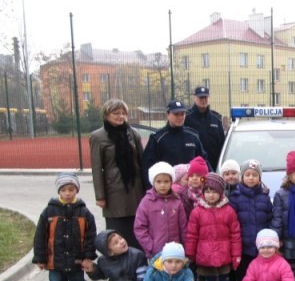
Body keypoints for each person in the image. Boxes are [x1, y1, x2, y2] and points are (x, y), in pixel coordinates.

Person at [33, 173, 97, 281]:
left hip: (77, 262)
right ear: (58, 192)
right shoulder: (48, 212)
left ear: (76, 190)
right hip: (55, 262)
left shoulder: (84, 213)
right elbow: (40, 236)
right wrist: (40, 258)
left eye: (71, 189)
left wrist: (88, 257)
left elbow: (90, 237)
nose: (67, 193)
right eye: (64, 190)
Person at [185, 172, 241, 281]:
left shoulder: (229, 211)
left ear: (221, 193)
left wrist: (236, 255)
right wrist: (189, 254)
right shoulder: (197, 212)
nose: (210, 195)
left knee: (224, 279)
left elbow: (235, 235)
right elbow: (191, 235)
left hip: (224, 254)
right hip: (205, 255)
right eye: (207, 191)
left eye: (214, 192)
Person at [89, 99, 145, 249]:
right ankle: (118, 266)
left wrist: (147, 188)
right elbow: (96, 168)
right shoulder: (98, 136)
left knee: (137, 230)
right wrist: (100, 196)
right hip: (114, 192)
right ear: (107, 115)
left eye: (123, 113)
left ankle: (137, 265)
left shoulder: (133, 134)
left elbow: (142, 161)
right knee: (117, 231)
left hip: (135, 189)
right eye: (116, 113)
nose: (121, 116)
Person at [229, 159, 273, 281]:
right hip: (242, 245)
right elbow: (232, 221)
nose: (251, 178)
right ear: (242, 177)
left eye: (254, 175)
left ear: (259, 178)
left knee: (259, 275)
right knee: (243, 275)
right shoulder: (235, 197)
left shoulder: (265, 197)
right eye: (247, 174)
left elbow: (269, 218)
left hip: (260, 246)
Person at [142, 100, 209, 187]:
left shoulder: (193, 136)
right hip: (166, 191)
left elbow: (204, 163)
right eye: (176, 114)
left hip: (193, 190)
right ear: (168, 115)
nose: (180, 117)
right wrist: (154, 191)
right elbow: (148, 168)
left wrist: (205, 183)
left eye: (182, 114)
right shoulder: (157, 138)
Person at [134, 162, 187, 259]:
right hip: (156, 253)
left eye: (166, 181)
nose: (162, 185)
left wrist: (184, 247)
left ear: (171, 182)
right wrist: (150, 246)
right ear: (153, 182)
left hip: (175, 251)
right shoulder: (146, 202)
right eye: (158, 182)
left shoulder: (177, 201)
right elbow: (140, 228)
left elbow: (183, 227)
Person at [185, 86, 225, 170]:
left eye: (205, 97)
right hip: (192, 166)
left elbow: (222, 143)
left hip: (214, 165)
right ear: (194, 98)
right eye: (200, 97)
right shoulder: (186, 118)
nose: (203, 100)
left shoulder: (216, 119)